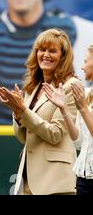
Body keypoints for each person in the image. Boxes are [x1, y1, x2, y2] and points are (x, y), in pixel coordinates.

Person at [0, 28, 79, 195]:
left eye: (52, 51)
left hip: (55, 182)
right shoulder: (32, 88)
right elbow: (22, 137)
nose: (46, 55)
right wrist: (18, 113)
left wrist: (23, 110)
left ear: (63, 57)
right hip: (28, 180)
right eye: (42, 50)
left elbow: (55, 134)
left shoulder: (70, 86)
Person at [42, 44, 93, 195]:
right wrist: (63, 108)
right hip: (83, 179)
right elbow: (78, 142)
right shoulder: (86, 94)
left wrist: (83, 108)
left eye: (86, 61)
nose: (82, 67)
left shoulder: (83, 101)